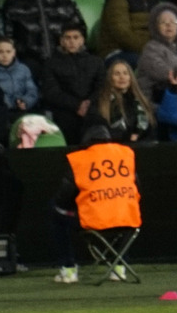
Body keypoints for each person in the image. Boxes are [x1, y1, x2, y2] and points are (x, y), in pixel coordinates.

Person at [48, 122, 141, 284]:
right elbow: (137, 186)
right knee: (120, 211)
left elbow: (64, 197)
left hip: (94, 221)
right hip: (128, 220)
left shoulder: (80, 159)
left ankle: (68, 269)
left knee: (55, 212)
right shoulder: (125, 154)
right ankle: (119, 266)